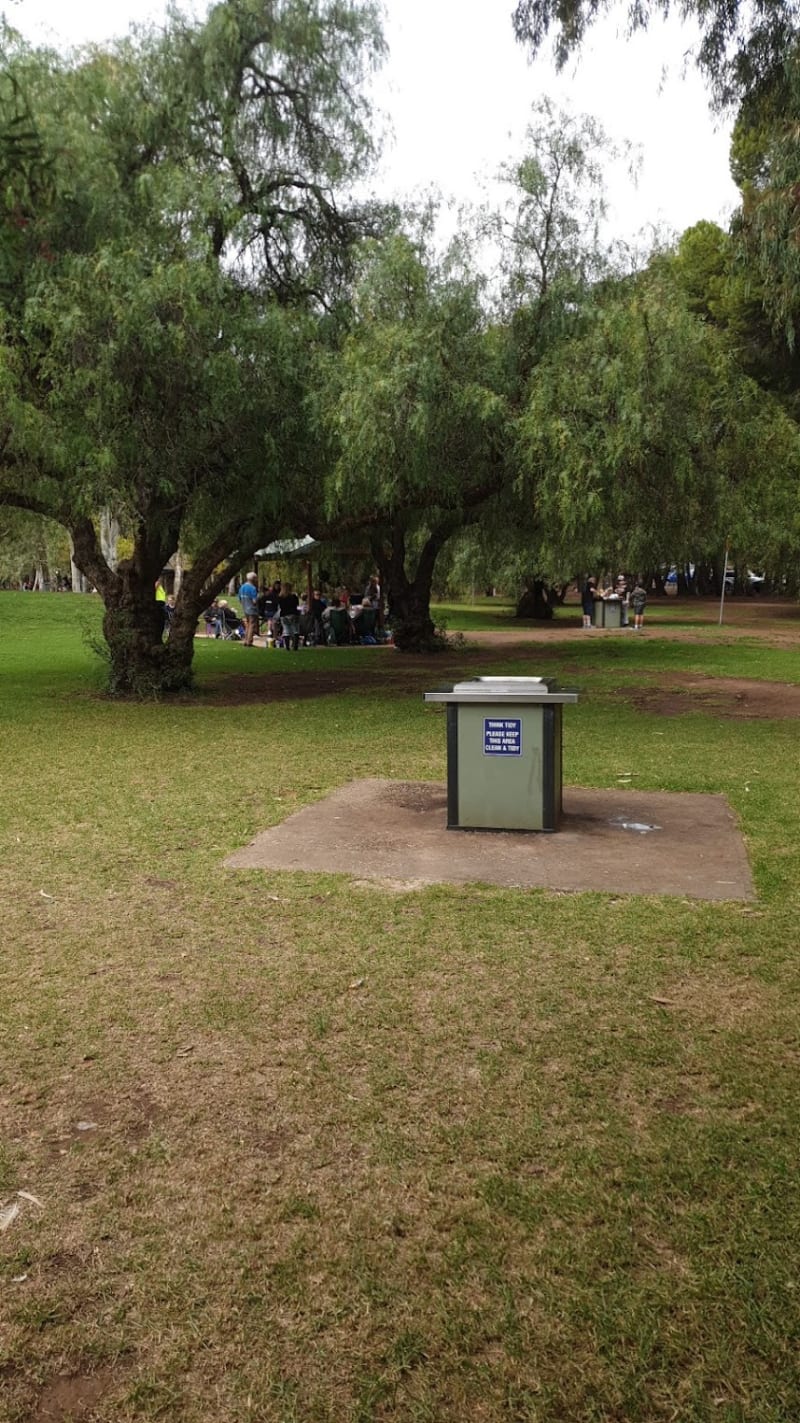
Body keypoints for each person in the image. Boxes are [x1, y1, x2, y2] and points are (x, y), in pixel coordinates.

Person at [278, 581, 301, 650]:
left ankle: (287, 646)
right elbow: (297, 605)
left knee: (286, 629)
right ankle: (295, 646)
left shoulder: (280, 597)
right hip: (293, 613)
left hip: (283, 614)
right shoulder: (293, 596)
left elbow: (280, 606)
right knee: (295, 629)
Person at [239, 571, 259, 646]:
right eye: (256, 578)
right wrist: (258, 597)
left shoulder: (242, 587)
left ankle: (245, 640)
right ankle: (249, 642)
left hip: (245, 608)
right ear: (253, 579)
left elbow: (240, 599)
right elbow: (254, 601)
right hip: (252, 609)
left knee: (247, 624)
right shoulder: (252, 588)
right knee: (252, 624)